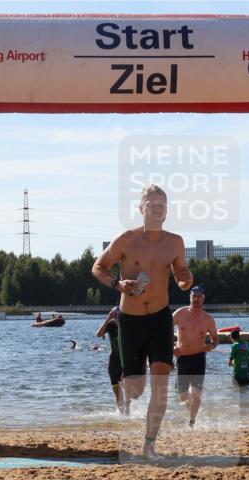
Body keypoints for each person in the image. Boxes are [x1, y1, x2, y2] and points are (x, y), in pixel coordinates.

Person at [92, 184, 193, 459]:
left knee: (161, 387)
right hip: (131, 321)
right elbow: (98, 267)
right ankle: (130, 381)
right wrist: (116, 282)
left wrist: (185, 279)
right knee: (136, 391)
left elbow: (181, 270)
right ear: (141, 209)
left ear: (167, 210)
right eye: (152, 205)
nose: (157, 209)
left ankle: (149, 445)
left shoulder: (175, 242)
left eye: (161, 205)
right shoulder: (126, 239)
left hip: (160, 318)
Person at [172, 285, 219, 427]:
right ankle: (190, 405)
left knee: (196, 392)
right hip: (182, 358)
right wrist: (171, 347)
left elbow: (215, 339)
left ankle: (192, 421)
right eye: (194, 296)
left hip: (199, 358)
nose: (196, 299)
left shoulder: (208, 319)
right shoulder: (180, 313)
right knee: (183, 395)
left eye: (199, 296)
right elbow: (164, 331)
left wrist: (211, 345)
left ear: (203, 299)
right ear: (190, 297)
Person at [96, 307, 128, 414]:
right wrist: (108, 318)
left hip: (126, 361)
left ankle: (129, 412)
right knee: (117, 391)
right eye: (114, 315)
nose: (115, 317)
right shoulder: (110, 325)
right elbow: (99, 334)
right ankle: (122, 414)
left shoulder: (127, 325)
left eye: (117, 315)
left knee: (127, 388)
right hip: (113, 360)